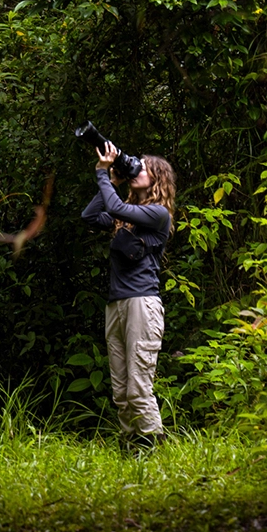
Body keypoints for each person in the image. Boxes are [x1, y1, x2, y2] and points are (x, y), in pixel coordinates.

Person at [81, 141, 176, 450]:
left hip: (141, 304)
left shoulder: (159, 215)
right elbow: (91, 216)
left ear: (158, 179)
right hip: (117, 304)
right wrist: (111, 181)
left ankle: (155, 450)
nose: (138, 169)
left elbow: (116, 207)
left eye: (145, 168)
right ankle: (132, 450)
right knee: (121, 390)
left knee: (138, 387)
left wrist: (102, 173)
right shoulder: (128, 216)